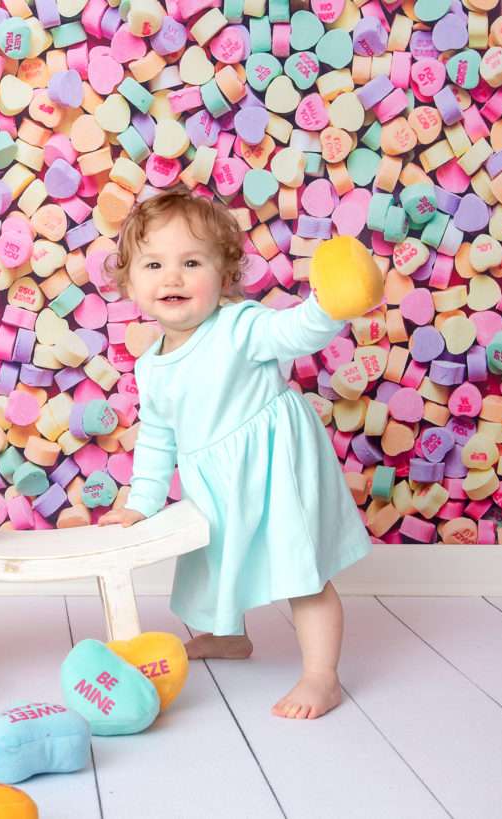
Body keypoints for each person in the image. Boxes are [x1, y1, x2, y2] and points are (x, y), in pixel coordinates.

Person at [98, 190, 374, 720]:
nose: (172, 278)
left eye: (192, 263)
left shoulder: (239, 326)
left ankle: (322, 675)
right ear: (130, 284)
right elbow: (158, 438)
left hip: (274, 466)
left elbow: (292, 331)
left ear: (224, 279)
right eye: (154, 265)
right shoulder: (150, 366)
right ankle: (227, 637)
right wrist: (143, 502)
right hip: (215, 478)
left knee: (301, 570)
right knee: (212, 559)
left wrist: (327, 305)